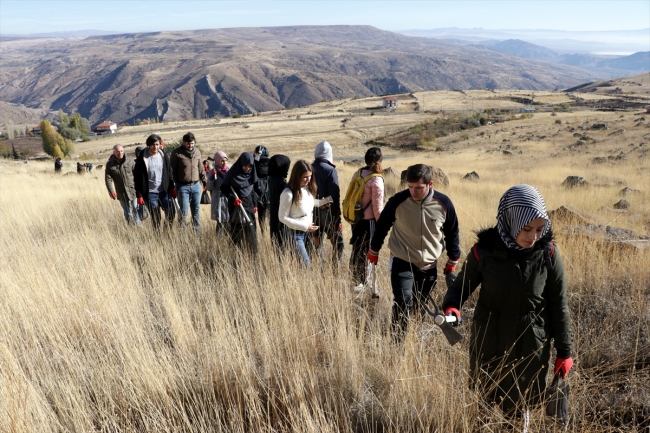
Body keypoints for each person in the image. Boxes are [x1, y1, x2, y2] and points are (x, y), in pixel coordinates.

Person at [442, 184, 573, 416]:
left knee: (522, 409)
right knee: (484, 405)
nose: (534, 237)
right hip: (489, 343)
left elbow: (559, 305)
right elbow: (460, 289)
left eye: (540, 229)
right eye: (527, 229)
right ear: (511, 221)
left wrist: (565, 352)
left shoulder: (548, 254)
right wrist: (452, 308)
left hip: (531, 346)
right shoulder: (483, 252)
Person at [367, 163, 460, 338]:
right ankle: (397, 343)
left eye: (419, 187)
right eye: (410, 187)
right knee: (403, 301)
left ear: (430, 184)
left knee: (419, 305)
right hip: (402, 260)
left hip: (429, 265)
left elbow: (452, 232)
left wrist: (453, 259)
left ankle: (414, 339)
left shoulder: (444, 203)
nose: (414, 191)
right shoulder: (398, 201)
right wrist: (374, 249)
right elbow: (382, 226)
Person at [278, 160, 332, 268]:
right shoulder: (288, 194)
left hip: (307, 232)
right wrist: (304, 226)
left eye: (310, 176)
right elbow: (282, 217)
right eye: (305, 177)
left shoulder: (306, 189)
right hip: (294, 234)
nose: (308, 180)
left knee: (311, 262)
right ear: (297, 176)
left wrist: (321, 203)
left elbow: (306, 205)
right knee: (305, 264)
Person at [349, 147, 384, 289]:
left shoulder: (358, 173)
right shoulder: (376, 179)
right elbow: (377, 208)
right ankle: (364, 281)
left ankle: (356, 278)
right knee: (368, 250)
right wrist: (382, 224)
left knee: (357, 248)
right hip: (369, 221)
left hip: (356, 218)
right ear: (380, 160)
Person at [312, 140, 344, 266]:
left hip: (312, 212)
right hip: (329, 213)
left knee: (316, 243)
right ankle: (335, 269)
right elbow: (334, 197)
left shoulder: (308, 168)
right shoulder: (330, 170)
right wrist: (337, 219)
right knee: (338, 243)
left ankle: (320, 269)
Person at [134, 134, 177, 229]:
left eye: (157, 144)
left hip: (164, 191)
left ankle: (166, 232)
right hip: (150, 193)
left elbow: (169, 171)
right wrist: (139, 195)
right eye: (153, 144)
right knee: (156, 218)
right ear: (148, 145)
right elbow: (137, 177)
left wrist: (172, 187)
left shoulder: (163, 155)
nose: (155, 147)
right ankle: (157, 237)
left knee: (171, 213)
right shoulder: (142, 158)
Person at [221, 152, 260, 254]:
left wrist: (255, 204)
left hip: (249, 206)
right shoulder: (232, 174)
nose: (247, 168)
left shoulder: (251, 174)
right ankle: (237, 255)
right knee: (238, 233)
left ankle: (253, 255)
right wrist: (233, 198)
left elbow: (251, 190)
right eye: (245, 165)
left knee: (251, 232)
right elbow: (224, 188)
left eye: (250, 166)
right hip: (236, 207)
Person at [170, 132, 206, 230]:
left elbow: (201, 167)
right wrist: (171, 183)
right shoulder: (176, 153)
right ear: (183, 143)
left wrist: (204, 181)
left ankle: (196, 230)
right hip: (182, 186)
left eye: (192, 143)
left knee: (196, 209)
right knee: (184, 210)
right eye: (188, 143)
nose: (190, 146)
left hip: (196, 185)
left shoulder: (197, 152)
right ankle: (182, 232)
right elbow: (171, 169)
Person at [105, 144, 140, 226]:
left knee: (135, 208)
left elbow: (137, 176)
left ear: (123, 151)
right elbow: (108, 179)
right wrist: (111, 191)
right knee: (127, 211)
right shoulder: (110, 164)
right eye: (117, 151)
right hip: (121, 192)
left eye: (121, 151)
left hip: (132, 190)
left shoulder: (130, 161)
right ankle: (130, 226)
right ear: (114, 153)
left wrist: (139, 191)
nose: (120, 153)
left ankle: (138, 226)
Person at [268, 154, 291, 248]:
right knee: (284, 245)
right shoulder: (281, 184)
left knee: (277, 245)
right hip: (282, 220)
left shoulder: (272, 179)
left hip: (274, 217)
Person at [207, 151, 230, 235]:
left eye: (225, 160)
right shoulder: (213, 172)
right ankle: (219, 242)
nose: (224, 163)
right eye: (222, 161)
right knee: (220, 223)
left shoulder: (230, 172)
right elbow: (209, 187)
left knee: (229, 223)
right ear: (216, 161)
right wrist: (212, 178)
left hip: (228, 200)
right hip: (218, 200)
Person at [253, 145, 270, 233]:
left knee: (261, 218)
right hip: (268, 193)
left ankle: (261, 233)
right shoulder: (271, 163)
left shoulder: (254, 163)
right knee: (269, 217)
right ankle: (268, 235)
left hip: (256, 193)